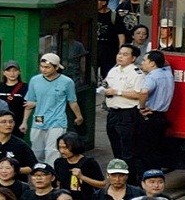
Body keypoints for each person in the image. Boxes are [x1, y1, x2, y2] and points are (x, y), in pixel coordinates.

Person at [21, 54, 83, 166]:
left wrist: (79, 116)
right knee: (36, 150)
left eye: (47, 67)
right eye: (42, 66)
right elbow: (29, 103)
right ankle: (39, 172)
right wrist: (24, 121)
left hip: (57, 120)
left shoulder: (67, 82)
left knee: (52, 151)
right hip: (39, 120)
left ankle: (51, 175)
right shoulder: (35, 80)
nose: (43, 70)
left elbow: (72, 101)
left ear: (56, 67)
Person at [103, 44, 143, 177]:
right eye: (119, 53)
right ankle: (117, 177)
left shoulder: (136, 73)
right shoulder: (113, 71)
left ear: (133, 58)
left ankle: (131, 181)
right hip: (112, 113)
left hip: (128, 114)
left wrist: (118, 92)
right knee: (116, 148)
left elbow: (139, 94)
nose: (120, 56)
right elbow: (107, 85)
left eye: (125, 54)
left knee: (128, 151)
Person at [134, 50, 174, 176]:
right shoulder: (168, 73)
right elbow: (165, 63)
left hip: (150, 116)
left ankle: (145, 180)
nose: (142, 63)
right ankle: (157, 177)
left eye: (145, 60)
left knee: (144, 151)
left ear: (152, 63)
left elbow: (144, 92)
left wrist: (141, 107)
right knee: (156, 150)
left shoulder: (152, 77)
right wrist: (158, 58)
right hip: (161, 116)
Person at [53, 132, 104, 200]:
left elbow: (102, 184)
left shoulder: (89, 163)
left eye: (65, 148)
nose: (62, 151)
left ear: (75, 146)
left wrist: (82, 177)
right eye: (60, 147)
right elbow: (58, 182)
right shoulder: (59, 162)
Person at [0, 111, 36, 176]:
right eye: (3, 122)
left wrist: (15, 170)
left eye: (11, 122)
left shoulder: (21, 145)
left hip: (15, 183)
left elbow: (33, 167)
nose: (8, 125)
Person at [0, 62, 27, 137]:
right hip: (1, 123)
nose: (12, 73)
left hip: (17, 123)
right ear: (4, 73)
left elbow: (28, 106)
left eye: (15, 70)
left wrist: (24, 122)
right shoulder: (0, 86)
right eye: (8, 71)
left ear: (19, 72)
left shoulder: (25, 87)